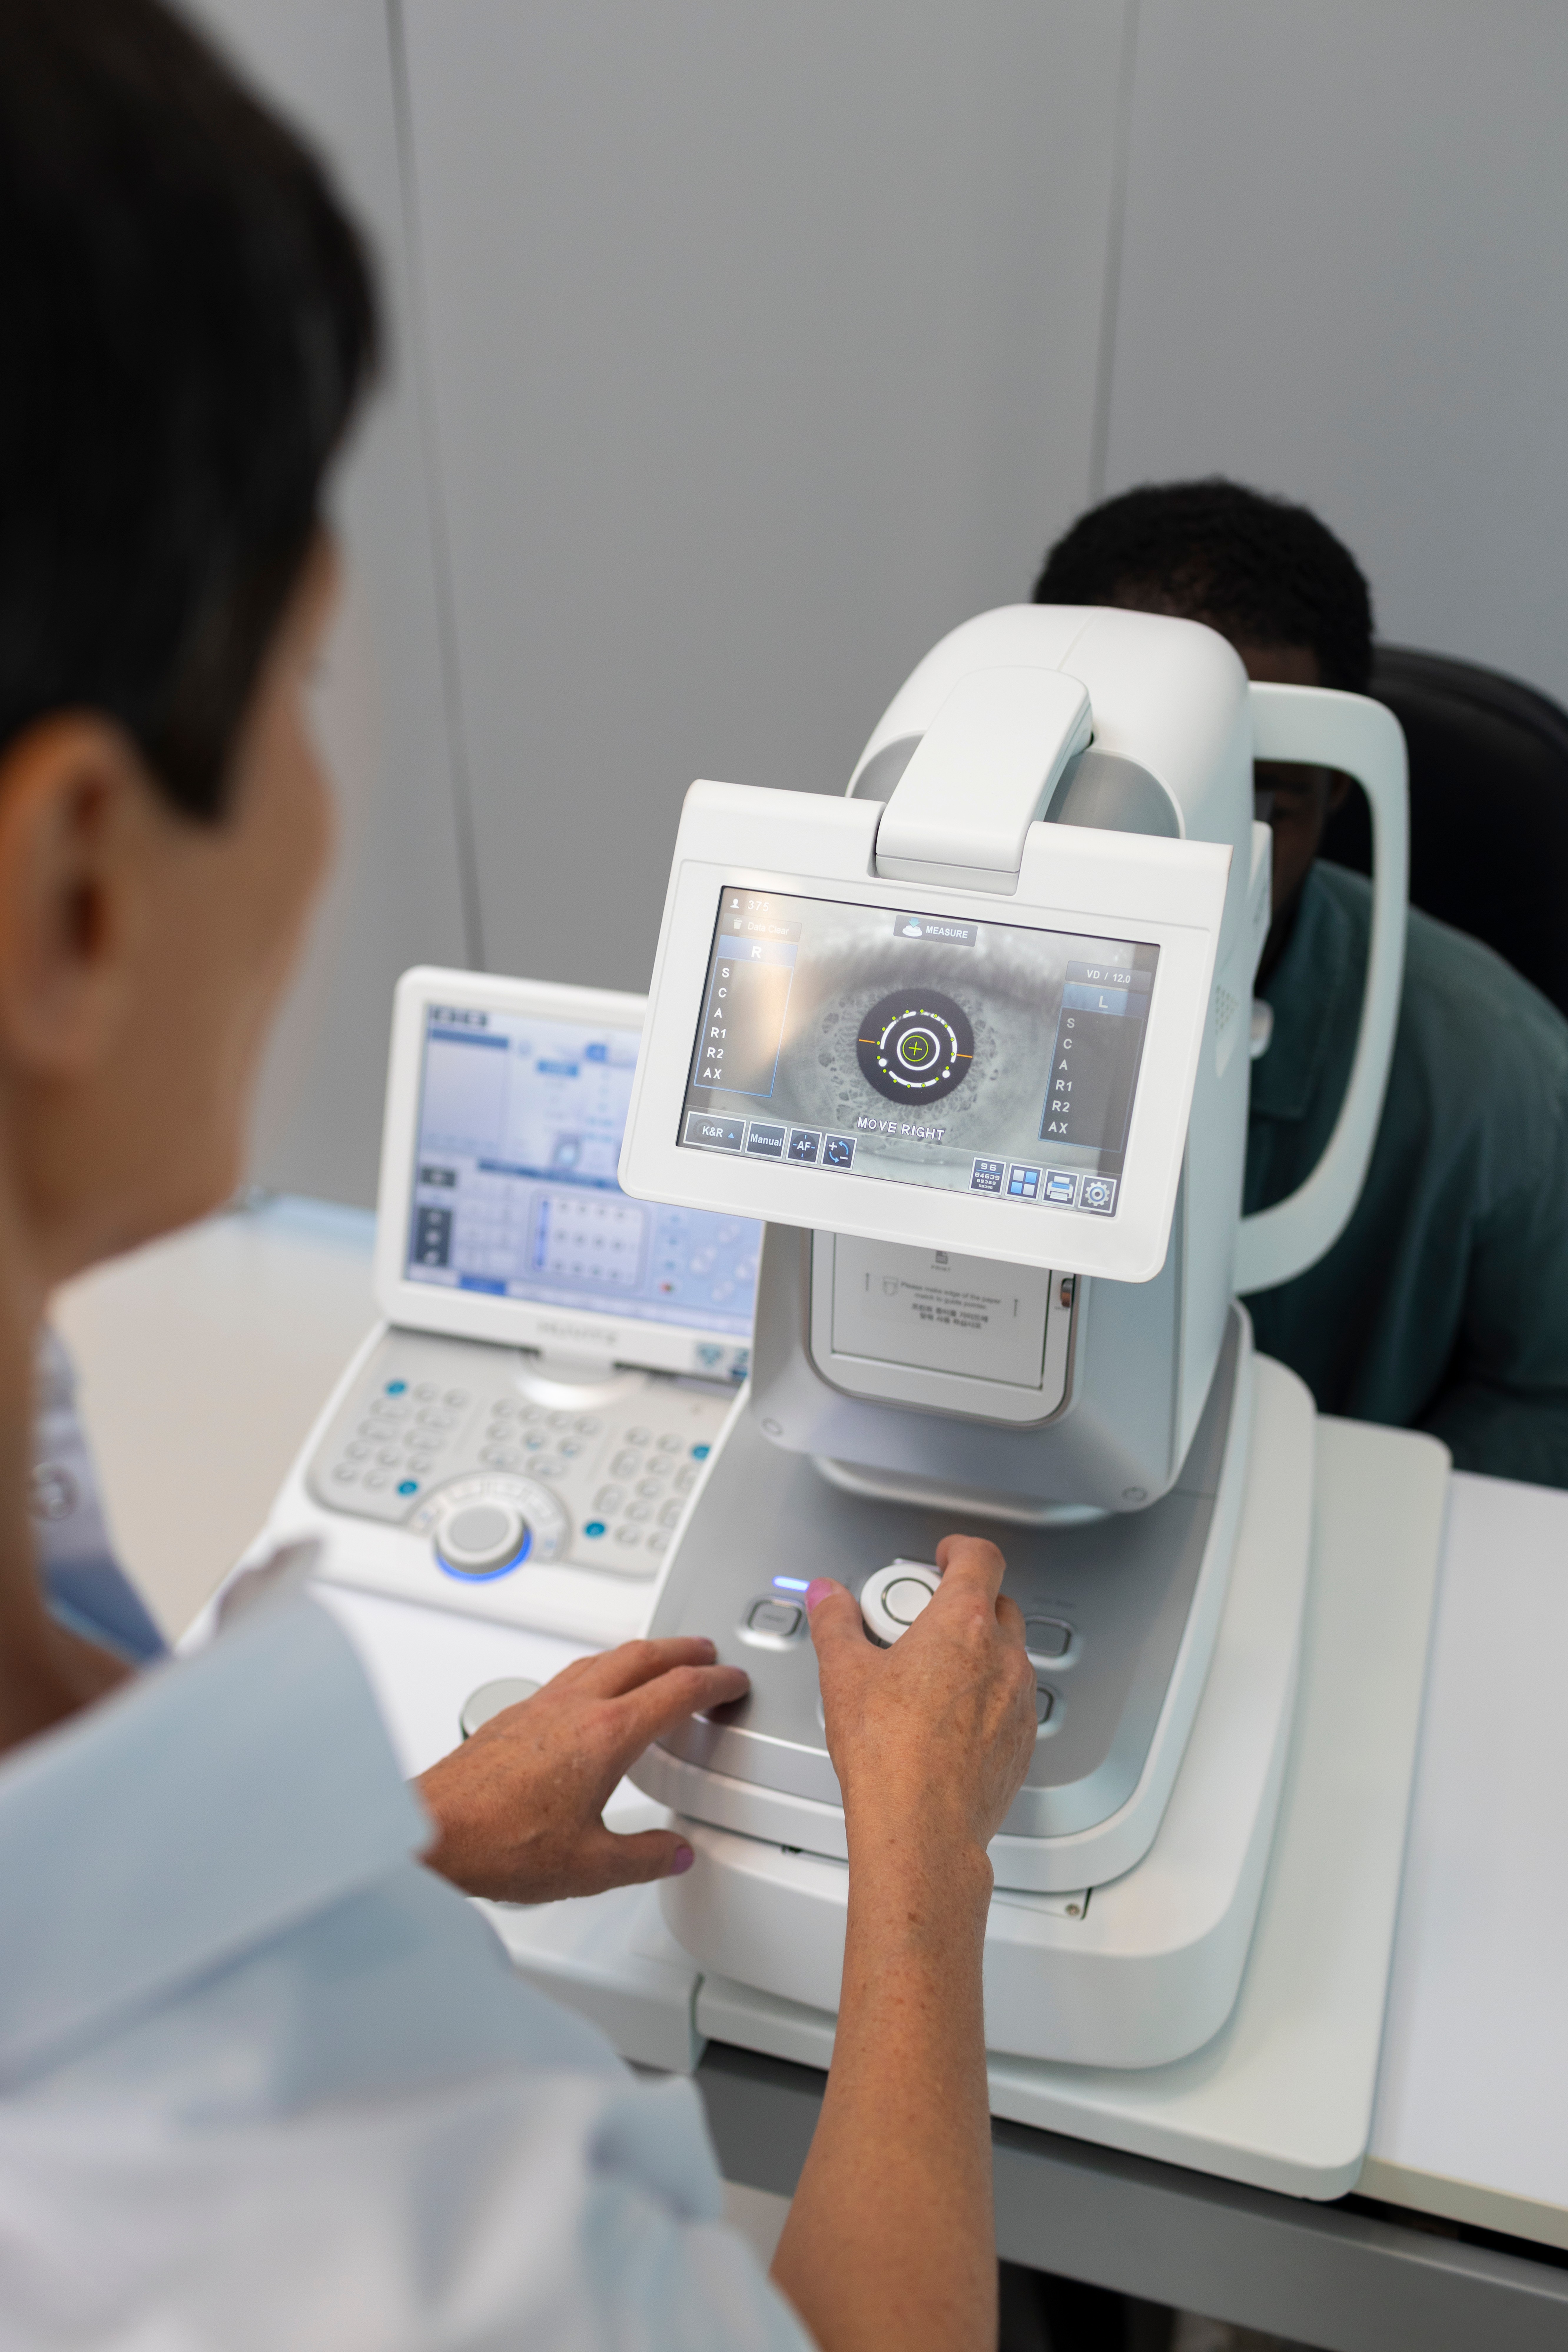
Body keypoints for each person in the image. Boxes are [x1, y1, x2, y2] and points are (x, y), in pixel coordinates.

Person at [0, 7, 1040, 2348]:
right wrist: (926, 1875)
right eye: (306, 695)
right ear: (76, 889)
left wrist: (405, 1843)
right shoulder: (356, 2248)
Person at [1034, 478, 1568, 1490]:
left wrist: (1356, 1499)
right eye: (1140, 785)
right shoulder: (905, 978)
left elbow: (1552, 1391)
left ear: (1334, 799)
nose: (1198, 849)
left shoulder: (1499, 1073)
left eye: (1261, 797)